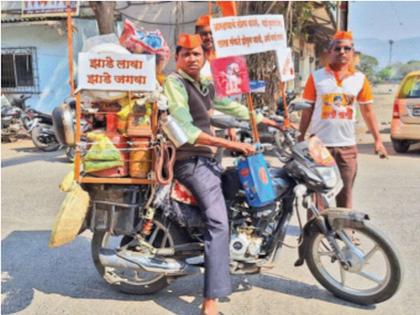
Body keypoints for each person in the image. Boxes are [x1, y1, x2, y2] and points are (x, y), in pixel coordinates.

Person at [163, 33, 280, 315]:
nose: (192, 58)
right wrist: (232, 144)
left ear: (204, 58)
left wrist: (266, 119)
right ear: (177, 58)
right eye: (186, 54)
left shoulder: (202, 84)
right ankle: (211, 301)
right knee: (218, 223)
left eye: (197, 54)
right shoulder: (175, 83)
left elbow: (231, 107)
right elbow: (186, 130)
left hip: (208, 161)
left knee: (241, 192)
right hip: (189, 161)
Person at [298, 30, 388, 209]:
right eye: (338, 48)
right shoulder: (316, 78)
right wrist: (300, 137)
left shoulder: (360, 79)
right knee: (317, 195)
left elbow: (368, 111)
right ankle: (313, 232)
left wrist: (378, 140)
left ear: (353, 53)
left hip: (347, 146)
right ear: (329, 52)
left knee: (345, 193)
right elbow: (307, 110)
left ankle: (346, 232)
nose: (342, 52)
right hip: (319, 146)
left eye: (347, 48)